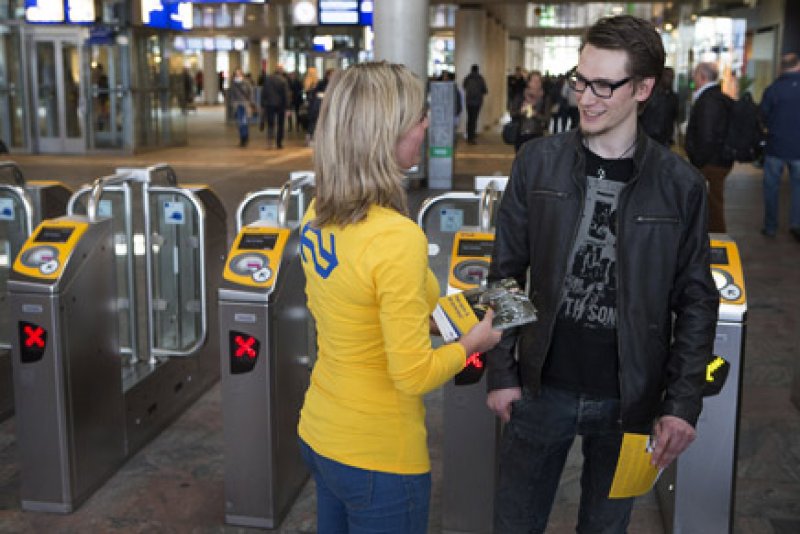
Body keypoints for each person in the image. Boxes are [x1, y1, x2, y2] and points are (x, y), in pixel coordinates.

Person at [485, 15, 719, 533]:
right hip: (540, 388)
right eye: (579, 80)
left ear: (643, 88)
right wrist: (502, 373)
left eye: (603, 85)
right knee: (515, 524)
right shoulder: (537, 163)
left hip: (631, 400)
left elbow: (698, 300)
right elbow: (505, 273)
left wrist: (682, 403)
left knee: (606, 527)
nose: (585, 98)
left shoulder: (680, 185)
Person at [297, 62, 501, 533]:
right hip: (379, 457)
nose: (428, 124)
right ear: (383, 134)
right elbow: (412, 374)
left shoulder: (317, 213)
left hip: (321, 433)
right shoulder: (396, 238)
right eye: (417, 116)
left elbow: (363, 307)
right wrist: (477, 344)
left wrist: (452, 320)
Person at [685, 62, 733, 233]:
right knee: (712, 201)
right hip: (716, 160)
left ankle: (717, 239)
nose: (693, 79)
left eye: (695, 75)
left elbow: (707, 135)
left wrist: (698, 160)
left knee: (713, 204)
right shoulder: (717, 97)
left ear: (703, 77)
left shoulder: (709, 100)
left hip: (711, 163)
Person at [759, 52, 800, 240]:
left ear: (781, 67)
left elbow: (762, 115)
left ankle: (770, 227)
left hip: (775, 147)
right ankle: (796, 224)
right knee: (798, 187)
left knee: (771, 188)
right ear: (798, 65)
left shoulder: (773, 89)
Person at [508, 70, 551, 152]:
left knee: (535, 162)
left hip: (537, 136)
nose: (536, 83)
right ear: (528, 82)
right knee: (521, 162)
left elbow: (546, 118)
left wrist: (535, 114)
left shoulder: (545, 98)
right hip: (520, 135)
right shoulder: (520, 96)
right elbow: (512, 113)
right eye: (534, 81)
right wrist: (520, 112)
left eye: (538, 81)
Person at [640, 66, 678, 146]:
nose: (670, 79)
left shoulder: (673, 97)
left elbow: (674, 117)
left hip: (665, 140)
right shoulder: (649, 95)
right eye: (667, 76)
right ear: (661, 78)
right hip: (648, 139)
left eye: (672, 77)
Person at [260, 64, 290, 149]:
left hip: (270, 104)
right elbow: (286, 94)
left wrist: (262, 103)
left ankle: (270, 142)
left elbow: (264, 92)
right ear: (281, 71)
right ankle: (279, 143)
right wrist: (287, 107)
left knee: (270, 124)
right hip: (281, 105)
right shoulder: (283, 80)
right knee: (281, 124)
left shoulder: (268, 79)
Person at [462, 64, 488, 144]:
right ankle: (471, 137)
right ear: (477, 70)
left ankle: (468, 135)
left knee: (469, 118)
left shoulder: (467, 77)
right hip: (477, 102)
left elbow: (464, 86)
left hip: (468, 101)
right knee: (474, 119)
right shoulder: (480, 78)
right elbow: (485, 90)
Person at [229, 68, 254, 147]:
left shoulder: (246, 83)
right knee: (239, 123)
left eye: (239, 74)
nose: (237, 75)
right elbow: (231, 95)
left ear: (242, 74)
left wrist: (250, 102)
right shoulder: (233, 83)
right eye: (236, 74)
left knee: (244, 122)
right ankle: (242, 138)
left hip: (245, 105)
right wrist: (232, 104)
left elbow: (250, 92)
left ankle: (245, 138)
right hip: (237, 105)